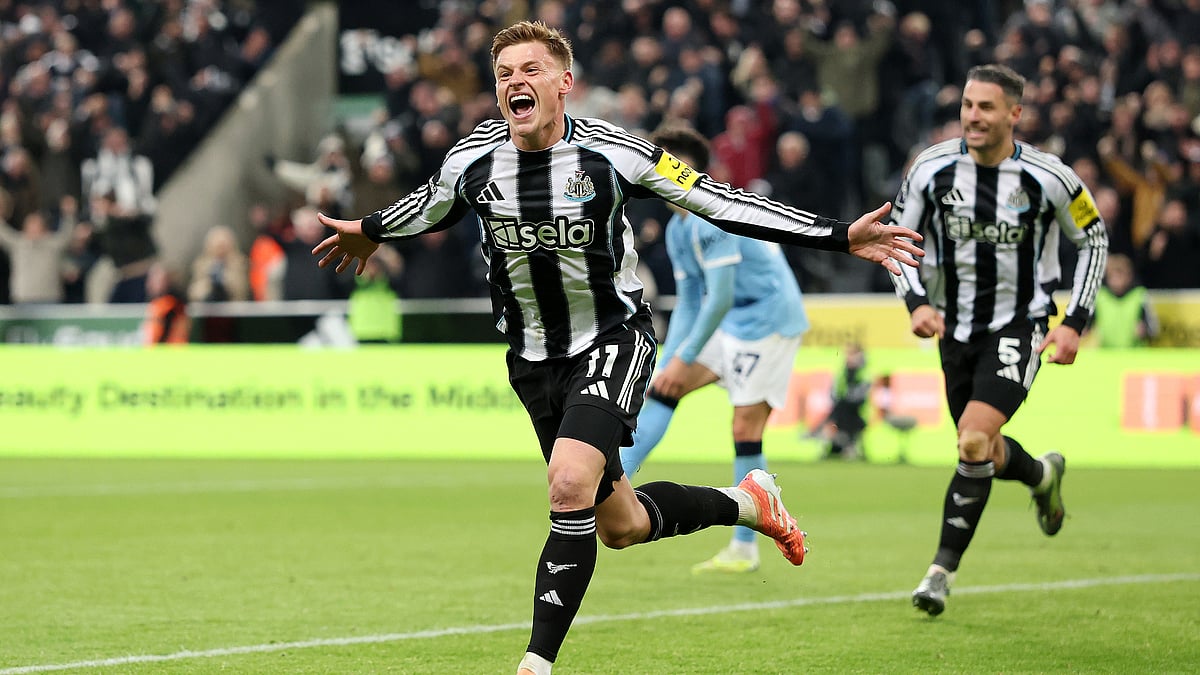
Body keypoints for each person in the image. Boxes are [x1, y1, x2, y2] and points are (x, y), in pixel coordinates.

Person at [311, 21, 924, 674]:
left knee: (568, 481)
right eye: (504, 75)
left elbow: (717, 200)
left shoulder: (614, 153)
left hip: (612, 338)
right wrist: (370, 230)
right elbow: (430, 205)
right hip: (531, 359)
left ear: (564, 83)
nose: (515, 82)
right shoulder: (473, 161)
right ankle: (749, 502)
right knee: (620, 524)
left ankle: (535, 664)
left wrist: (837, 236)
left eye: (530, 70)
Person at [888, 64, 1109, 617]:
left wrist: (1073, 321)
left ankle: (940, 572)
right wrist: (916, 301)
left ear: (1015, 113)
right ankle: (1042, 476)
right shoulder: (931, 167)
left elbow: (1095, 239)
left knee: (971, 441)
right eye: (967, 105)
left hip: (1021, 325)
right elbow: (895, 238)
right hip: (952, 328)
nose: (973, 116)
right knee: (979, 447)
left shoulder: (1051, 177)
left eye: (986, 107)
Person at [618, 126, 810, 575]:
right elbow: (689, 301)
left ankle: (747, 543)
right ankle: (615, 479)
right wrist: (671, 358)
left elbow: (718, 297)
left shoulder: (712, 214)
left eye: (665, 162)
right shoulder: (678, 227)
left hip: (767, 320)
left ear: (687, 169)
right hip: (732, 323)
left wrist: (686, 355)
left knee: (744, 426)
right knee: (665, 387)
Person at [1090, 253, 1158, 348]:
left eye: (1120, 276)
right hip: (1106, 356)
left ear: (1129, 276)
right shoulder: (1100, 296)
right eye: (1112, 276)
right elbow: (1088, 325)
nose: (1116, 281)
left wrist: (1145, 330)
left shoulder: (1139, 295)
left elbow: (1154, 329)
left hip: (1135, 356)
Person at [817, 342, 872, 461]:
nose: (849, 357)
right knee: (841, 409)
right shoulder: (842, 372)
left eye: (853, 354)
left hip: (858, 412)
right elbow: (834, 393)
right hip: (843, 411)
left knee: (841, 411)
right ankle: (845, 444)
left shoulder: (864, 373)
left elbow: (860, 397)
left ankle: (824, 433)